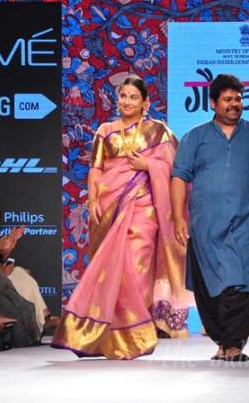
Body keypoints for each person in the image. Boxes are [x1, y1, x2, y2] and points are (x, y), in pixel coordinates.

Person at [51, 75, 190, 360]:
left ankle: (134, 334)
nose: (126, 101)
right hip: (109, 207)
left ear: (145, 103)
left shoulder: (158, 132)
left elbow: (176, 170)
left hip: (145, 209)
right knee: (109, 269)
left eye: (133, 97)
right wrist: (92, 200)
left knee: (136, 267)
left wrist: (148, 164)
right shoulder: (106, 131)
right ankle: (106, 337)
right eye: (123, 95)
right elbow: (96, 169)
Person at [171, 73, 249, 362]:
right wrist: (178, 217)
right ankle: (223, 341)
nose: (234, 104)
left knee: (248, 284)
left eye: (238, 99)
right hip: (206, 226)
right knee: (210, 287)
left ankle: (234, 344)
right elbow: (179, 177)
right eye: (227, 99)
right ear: (213, 103)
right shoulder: (195, 138)